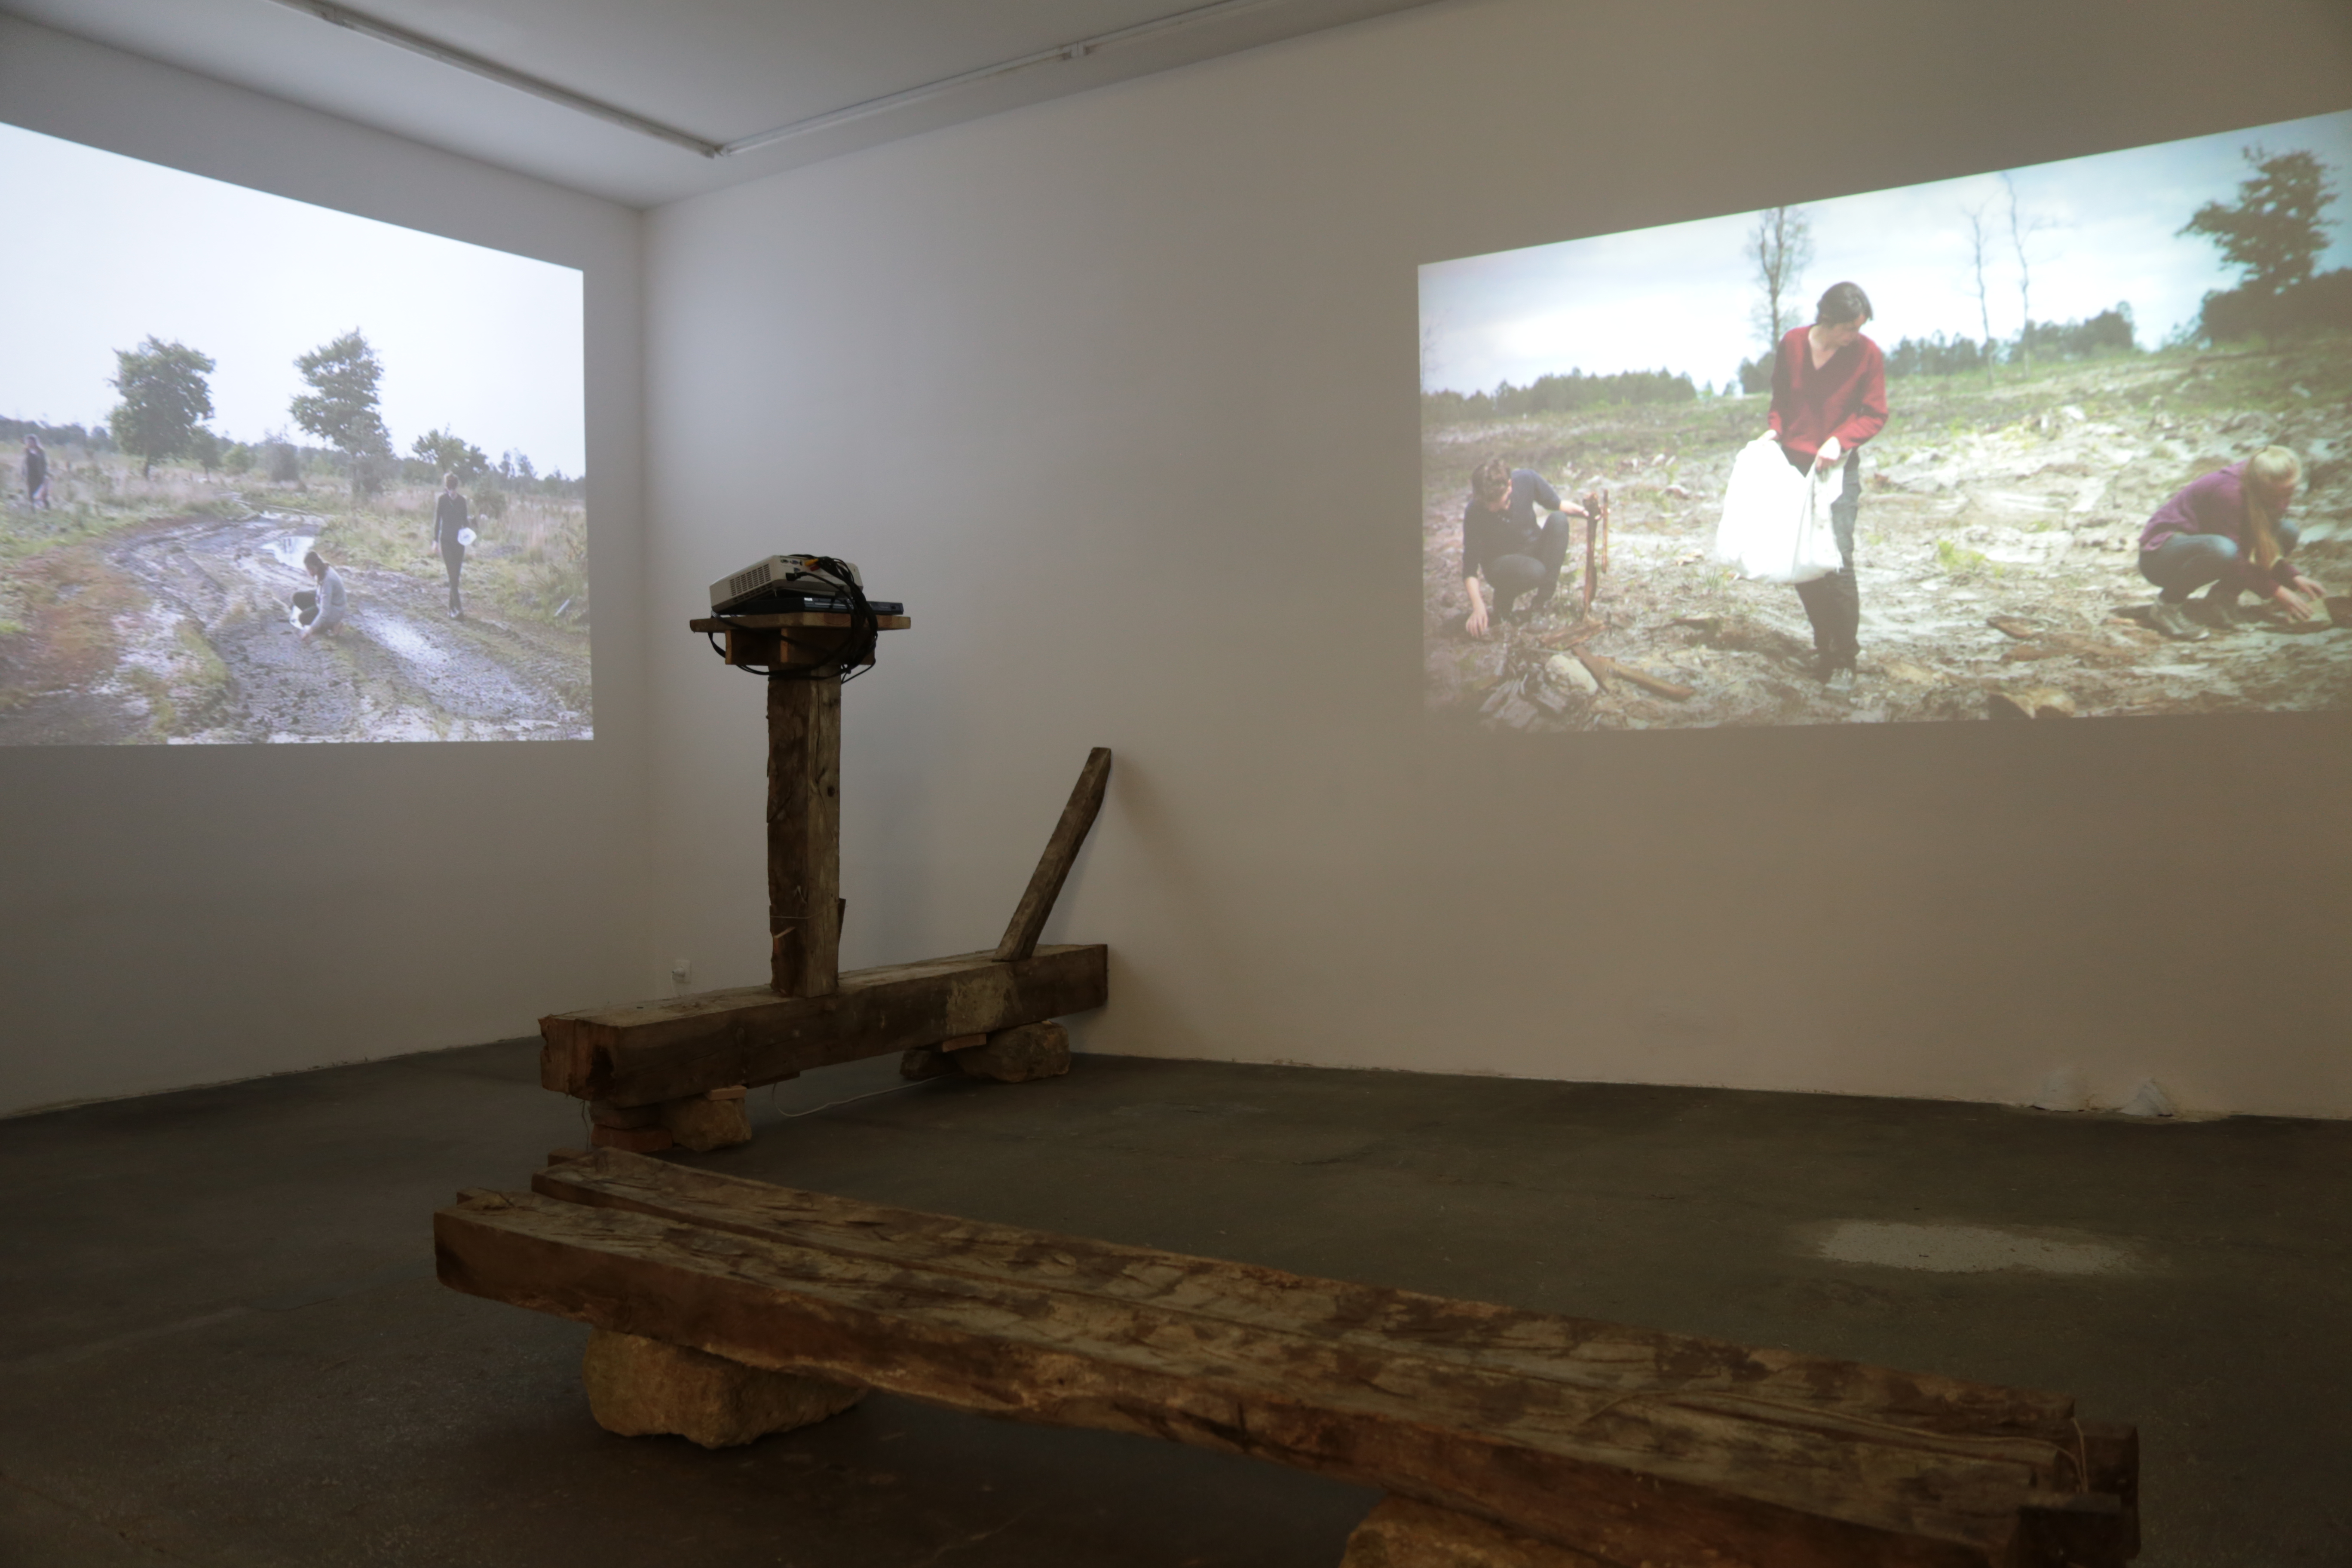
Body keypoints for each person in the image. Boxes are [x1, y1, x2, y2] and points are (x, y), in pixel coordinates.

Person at [1767, 281, 1886, 688]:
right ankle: (1825, 649)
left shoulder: (1867, 354)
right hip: (1794, 466)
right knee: (1806, 562)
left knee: (1836, 558)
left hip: (1839, 466)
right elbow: (1781, 400)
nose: (1855, 336)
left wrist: (1839, 440)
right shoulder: (1792, 345)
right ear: (1828, 319)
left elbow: (1875, 414)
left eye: (1860, 328)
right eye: (1849, 328)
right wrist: (1774, 430)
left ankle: (1845, 660)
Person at [2138, 447, 2318, 640]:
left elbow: (2259, 543)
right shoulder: (2229, 492)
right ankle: (2167, 607)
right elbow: (2236, 559)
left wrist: (2292, 576)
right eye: (2278, 496)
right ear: (2263, 486)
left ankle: (2221, 601)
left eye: (2289, 494)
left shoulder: (2258, 482)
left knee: (2286, 531)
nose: (2283, 504)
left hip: (2204, 546)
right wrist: (2277, 591)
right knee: (2223, 550)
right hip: (2161, 559)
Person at [1457, 456, 1589, 637]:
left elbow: (1558, 505)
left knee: (1559, 520)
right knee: (1535, 571)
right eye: (1486, 503)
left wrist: (1587, 513)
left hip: (1532, 548)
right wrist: (1478, 606)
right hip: (1500, 565)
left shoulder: (1526, 480)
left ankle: (1541, 605)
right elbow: (1470, 568)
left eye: (1497, 501)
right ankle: (1503, 601)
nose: (1490, 508)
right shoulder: (1475, 511)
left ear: (1509, 486)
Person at [431, 471, 469, 618]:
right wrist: (435, 541)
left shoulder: (462, 501)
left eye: (454, 487)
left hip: (459, 542)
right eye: (450, 487)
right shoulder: (442, 500)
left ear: (457, 487)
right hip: (446, 541)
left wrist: (469, 538)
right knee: (452, 575)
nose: (452, 490)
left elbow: (465, 522)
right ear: (446, 487)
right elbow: (438, 521)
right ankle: (459, 609)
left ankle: (451, 610)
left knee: (456, 578)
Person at [299, 549, 346, 640]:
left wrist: (309, 631)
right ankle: (318, 619)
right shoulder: (322, 570)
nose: (308, 572)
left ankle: (333, 625)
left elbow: (325, 612)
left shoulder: (327, 580)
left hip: (334, 611)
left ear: (314, 567)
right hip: (324, 602)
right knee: (297, 597)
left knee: (303, 618)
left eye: (309, 569)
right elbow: (319, 592)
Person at [23, 434, 50, 510]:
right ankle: (33, 510)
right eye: (28, 442)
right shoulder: (27, 452)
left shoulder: (41, 452)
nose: (30, 443)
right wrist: (23, 474)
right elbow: (24, 464)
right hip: (30, 476)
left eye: (31, 442)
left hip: (40, 476)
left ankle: (47, 509)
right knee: (32, 494)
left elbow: (45, 464)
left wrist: (46, 475)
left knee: (42, 494)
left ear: (35, 442)